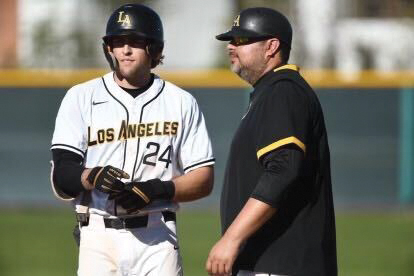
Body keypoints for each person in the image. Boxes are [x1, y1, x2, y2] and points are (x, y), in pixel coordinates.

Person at [50, 3, 215, 276]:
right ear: (109, 48)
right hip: (97, 234)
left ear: (155, 49)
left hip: (157, 236)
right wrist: (93, 176)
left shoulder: (181, 102)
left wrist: (155, 190)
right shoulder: (81, 97)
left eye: (135, 42)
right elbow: (63, 174)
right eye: (118, 41)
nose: (125, 50)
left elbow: (203, 178)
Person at [206, 7, 337, 276]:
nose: (231, 46)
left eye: (242, 40)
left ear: (271, 46)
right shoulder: (271, 92)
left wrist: (232, 238)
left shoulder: (284, 91)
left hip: (282, 263)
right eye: (231, 40)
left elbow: (282, 170)